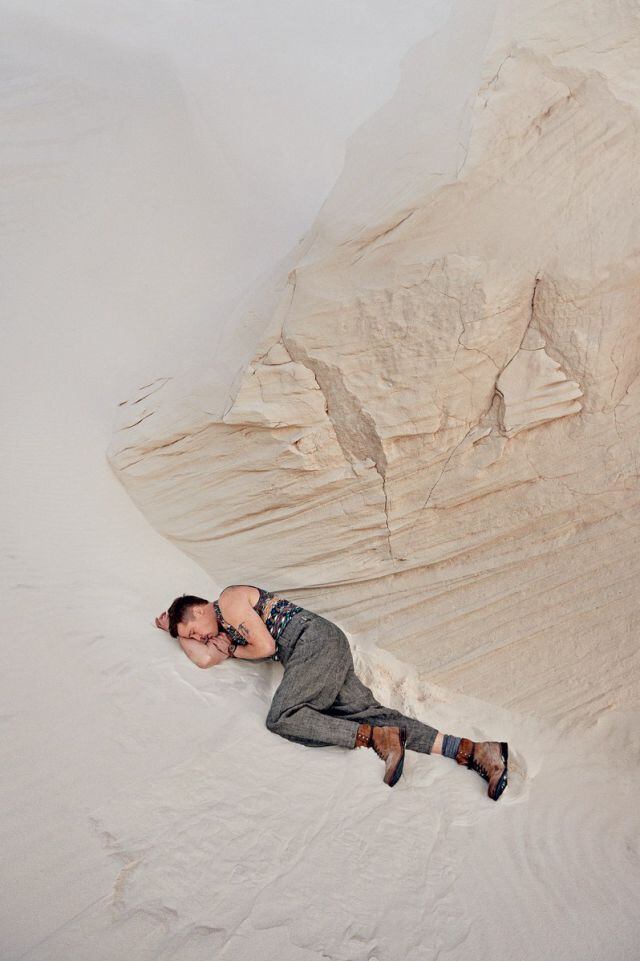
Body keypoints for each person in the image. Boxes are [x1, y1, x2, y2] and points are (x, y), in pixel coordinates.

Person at [154, 584, 508, 799]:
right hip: (319, 651)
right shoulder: (219, 630)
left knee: (281, 717)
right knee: (371, 713)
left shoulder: (228, 600)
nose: (198, 637)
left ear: (199, 608)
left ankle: (377, 738)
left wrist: (232, 650)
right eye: (191, 637)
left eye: (194, 629)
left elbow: (264, 647)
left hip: (312, 641)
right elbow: (204, 660)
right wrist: (173, 627)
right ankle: (476, 751)